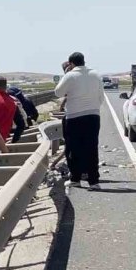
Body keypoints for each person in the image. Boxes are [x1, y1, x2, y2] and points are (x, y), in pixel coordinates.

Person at [55, 52, 104, 190]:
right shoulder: (95, 74)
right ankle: (94, 181)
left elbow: (58, 92)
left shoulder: (70, 75)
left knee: (73, 148)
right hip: (93, 116)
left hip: (74, 117)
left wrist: (66, 74)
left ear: (71, 63)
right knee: (91, 148)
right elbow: (101, 97)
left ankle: (75, 178)